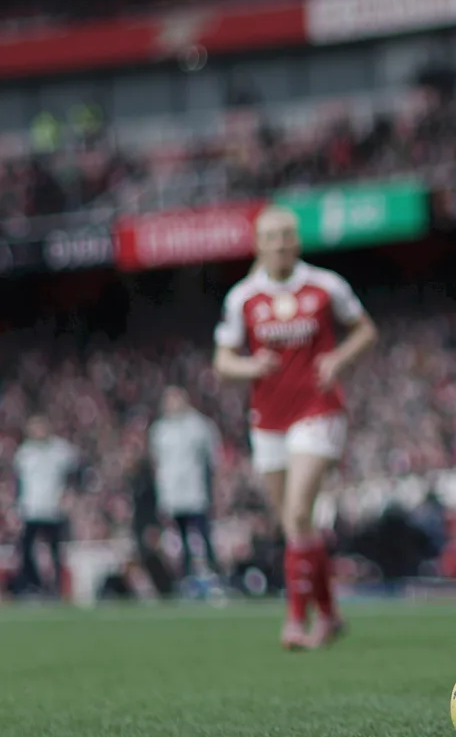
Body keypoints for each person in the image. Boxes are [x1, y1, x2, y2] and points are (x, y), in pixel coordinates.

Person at [214, 205, 377, 649]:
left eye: (287, 235)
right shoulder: (243, 297)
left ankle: (294, 620)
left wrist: (338, 359)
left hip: (318, 410)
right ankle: (330, 614)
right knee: (293, 524)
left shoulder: (325, 285)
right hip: (268, 419)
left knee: (300, 512)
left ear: (298, 241)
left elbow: (365, 330)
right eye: (272, 236)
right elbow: (222, 360)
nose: (281, 243)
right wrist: (251, 367)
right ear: (258, 244)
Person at [149, 386, 221, 581]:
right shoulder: (160, 430)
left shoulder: (198, 425)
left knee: (202, 532)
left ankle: (213, 572)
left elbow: (212, 458)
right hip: (172, 493)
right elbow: (157, 463)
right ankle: (186, 576)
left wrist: (213, 487)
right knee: (179, 537)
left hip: (195, 489)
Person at [13, 415, 78, 598]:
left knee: (55, 550)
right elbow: (18, 482)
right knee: (26, 549)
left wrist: (69, 494)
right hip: (31, 508)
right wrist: (17, 504)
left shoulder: (61, 450)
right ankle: (34, 585)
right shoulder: (25, 453)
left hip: (53, 509)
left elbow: (75, 472)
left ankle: (56, 588)